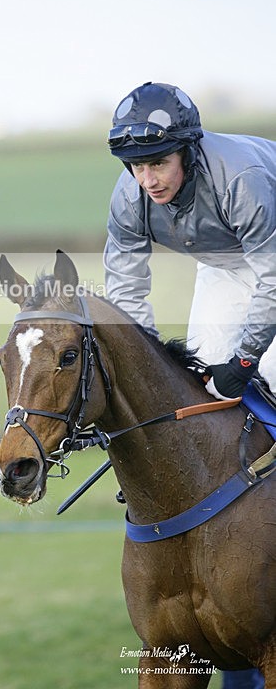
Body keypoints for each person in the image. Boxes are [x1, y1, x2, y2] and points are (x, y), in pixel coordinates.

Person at [103, 81, 276, 689]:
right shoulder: (131, 195)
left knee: (263, 373)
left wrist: (249, 359)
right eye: (136, 166)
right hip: (230, 265)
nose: (147, 179)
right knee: (203, 390)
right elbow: (124, 297)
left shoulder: (242, 177)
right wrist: (151, 379)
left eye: (157, 163)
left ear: (190, 152)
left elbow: (274, 277)